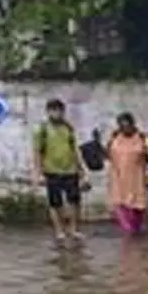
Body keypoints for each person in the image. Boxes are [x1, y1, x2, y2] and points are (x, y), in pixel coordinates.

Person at [33, 99, 87, 243]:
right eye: (53, 110)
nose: (57, 113)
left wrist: (81, 169)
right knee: (55, 203)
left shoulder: (68, 128)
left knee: (74, 201)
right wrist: (38, 173)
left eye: (59, 110)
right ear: (48, 112)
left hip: (70, 170)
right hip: (52, 170)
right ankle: (59, 230)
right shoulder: (42, 130)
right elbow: (37, 152)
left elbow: (74, 149)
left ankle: (74, 229)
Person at [106, 113, 148, 236]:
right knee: (121, 205)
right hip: (119, 177)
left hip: (137, 177)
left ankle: (136, 229)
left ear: (133, 124)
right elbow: (108, 154)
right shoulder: (115, 138)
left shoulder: (142, 137)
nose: (125, 128)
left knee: (137, 207)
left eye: (128, 125)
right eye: (122, 126)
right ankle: (129, 232)